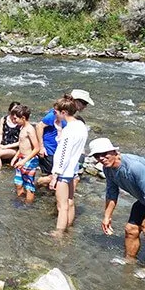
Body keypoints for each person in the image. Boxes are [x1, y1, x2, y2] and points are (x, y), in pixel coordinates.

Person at [92, 138, 145, 263]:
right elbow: (112, 192)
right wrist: (107, 216)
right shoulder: (107, 169)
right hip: (142, 200)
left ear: (115, 152)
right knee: (131, 229)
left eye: (105, 154)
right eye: (97, 156)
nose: (101, 158)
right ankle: (129, 263)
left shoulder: (134, 167)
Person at [36, 89, 94, 187]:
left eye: (86, 103)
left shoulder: (73, 116)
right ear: (75, 101)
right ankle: (36, 183)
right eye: (83, 103)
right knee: (54, 176)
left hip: (61, 149)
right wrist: (41, 147)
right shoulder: (56, 113)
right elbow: (39, 126)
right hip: (51, 149)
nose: (85, 106)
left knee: (61, 177)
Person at [49, 95, 87, 235]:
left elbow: (63, 154)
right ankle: (69, 228)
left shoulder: (69, 130)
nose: (55, 114)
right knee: (70, 201)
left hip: (63, 171)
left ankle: (58, 233)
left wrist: (55, 175)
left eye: (56, 112)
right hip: (73, 169)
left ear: (63, 112)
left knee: (62, 206)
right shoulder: (81, 126)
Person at [9, 105, 39, 204]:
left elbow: (36, 148)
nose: (14, 121)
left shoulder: (30, 129)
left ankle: (28, 205)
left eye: (15, 118)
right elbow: (22, 145)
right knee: (18, 183)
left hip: (29, 160)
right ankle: (20, 201)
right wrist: (16, 157)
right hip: (21, 159)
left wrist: (24, 161)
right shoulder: (22, 127)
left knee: (29, 185)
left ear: (23, 118)